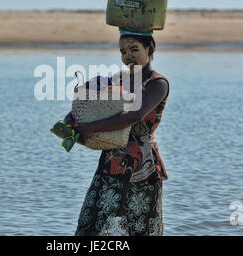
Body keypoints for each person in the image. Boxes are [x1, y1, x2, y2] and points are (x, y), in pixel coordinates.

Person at [64, 34, 170, 236]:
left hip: (142, 167)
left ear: (151, 48)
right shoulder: (120, 79)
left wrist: (90, 128)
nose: (128, 56)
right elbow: (96, 103)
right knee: (92, 228)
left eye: (134, 49)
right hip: (111, 160)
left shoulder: (157, 84)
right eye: (123, 51)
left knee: (140, 230)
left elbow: (134, 114)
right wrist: (74, 118)